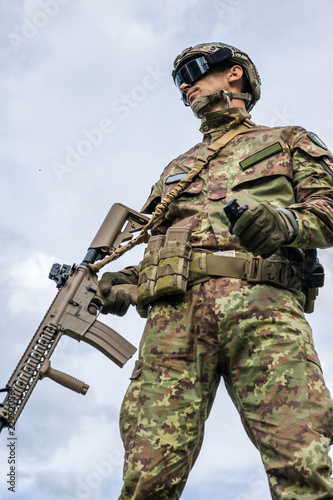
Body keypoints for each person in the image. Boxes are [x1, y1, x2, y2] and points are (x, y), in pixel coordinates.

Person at [99, 43, 333, 499]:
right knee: (148, 474)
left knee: (300, 461)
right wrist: (124, 283)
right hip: (172, 322)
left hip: (264, 310)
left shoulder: (289, 140)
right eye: (177, 82)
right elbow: (156, 243)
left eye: (192, 71)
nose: (185, 85)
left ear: (235, 74)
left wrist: (284, 223)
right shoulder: (178, 169)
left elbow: (330, 210)